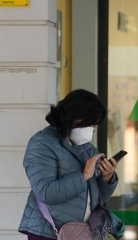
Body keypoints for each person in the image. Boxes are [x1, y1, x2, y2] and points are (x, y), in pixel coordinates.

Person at [18, 89, 124, 240]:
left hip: (82, 232)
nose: (92, 129)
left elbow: (96, 197)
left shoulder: (84, 146)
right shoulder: (42, 144)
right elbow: (46, 192)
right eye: (91, 123)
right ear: (75, 117)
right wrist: (84, 176)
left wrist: (107, 178)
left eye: (94, 125)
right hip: (49, 232)